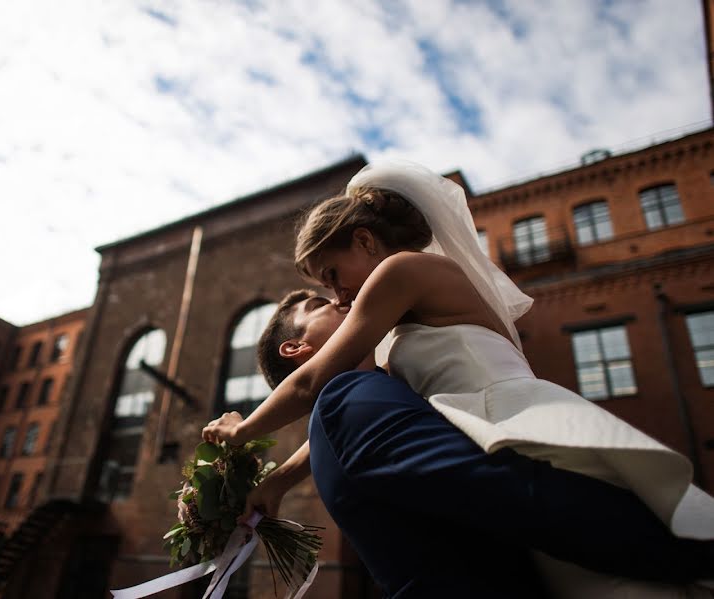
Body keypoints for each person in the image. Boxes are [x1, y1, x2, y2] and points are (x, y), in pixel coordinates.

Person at [203, 161, 714, 596]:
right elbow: (335, 424)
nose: (338, 297)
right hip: (481, 426)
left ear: (364, 239)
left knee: (601, 535)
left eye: (332, 276)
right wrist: (277, 482)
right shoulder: (395, 314)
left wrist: (241, 431)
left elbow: (314, 383)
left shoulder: (401, 271)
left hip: (505, 418)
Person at [227, 288, 714, 597]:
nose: (341, 299)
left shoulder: (350, 409)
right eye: (317, 304)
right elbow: (512, 495)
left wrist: (278, 480)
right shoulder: (349, 398)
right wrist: (681, 550)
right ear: (297, 349)